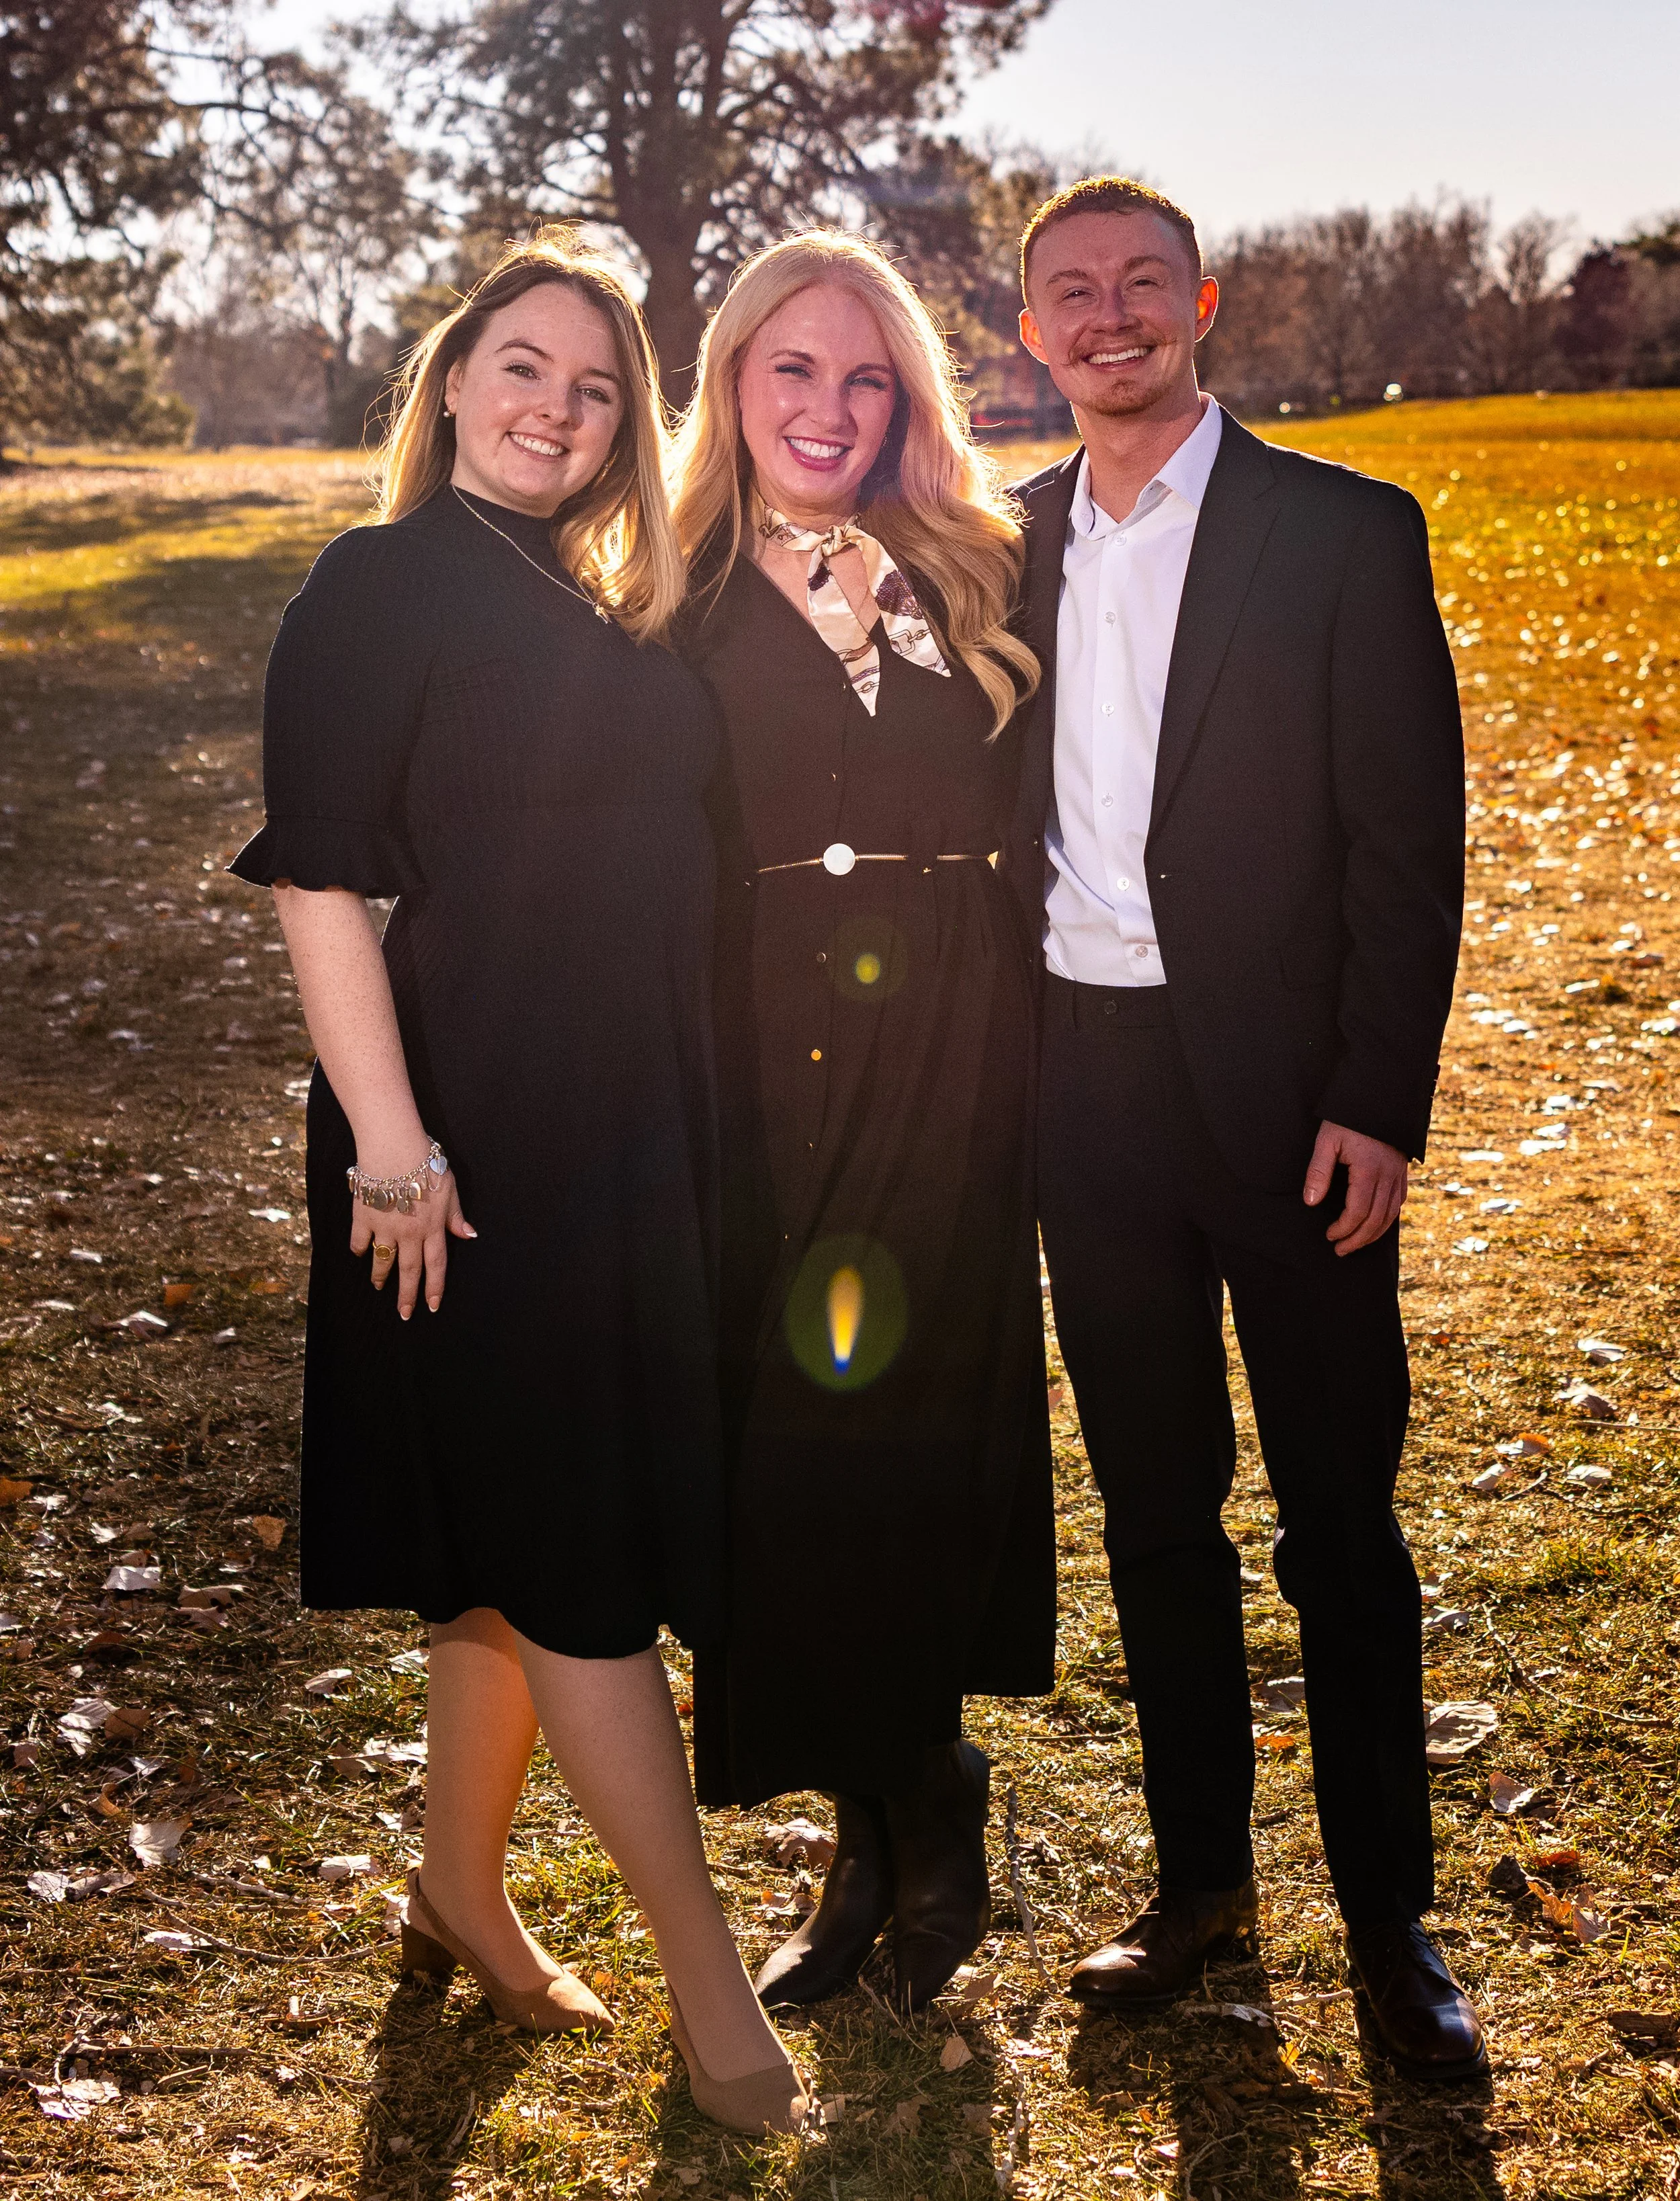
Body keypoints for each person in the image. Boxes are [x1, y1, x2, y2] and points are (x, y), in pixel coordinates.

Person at [228, 231, 805, 2135]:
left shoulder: (596, 596)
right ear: (455, 379)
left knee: (508, 1536)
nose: (554, 407)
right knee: (572, 1557)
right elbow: (318, 876)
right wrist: (393, 1148)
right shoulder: (377, 585)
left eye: (591, 386)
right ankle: (712, 2002)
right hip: (461, 1137)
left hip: (631, 1121)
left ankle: (457, 1891)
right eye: (522, 367)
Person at [1004, 177, 1484, 2079]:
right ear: (1024, 328)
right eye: (1069, 294)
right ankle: (1199, 1884)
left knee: (1339, 1525)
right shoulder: (994, 542)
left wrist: (1379, 1099)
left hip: (1289, 1108)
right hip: (1081, 1094)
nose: (1108, 316)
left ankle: (1389, 1921)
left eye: (1140, 284)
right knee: (1150, 1511)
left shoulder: (1339, 533)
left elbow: (1407, 840)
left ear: (1197, 304)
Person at [671, 231, 1057, 2012]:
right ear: (731, 388)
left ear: (905, 397)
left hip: (952, 1060)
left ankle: (920, 1808)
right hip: (759, 1073)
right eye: (790, 372)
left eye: (865, 376)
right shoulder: (664, 598)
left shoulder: (976, 571)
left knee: (909, 1430)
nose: (827, 408)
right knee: (790, 1451)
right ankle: (881, 1821)